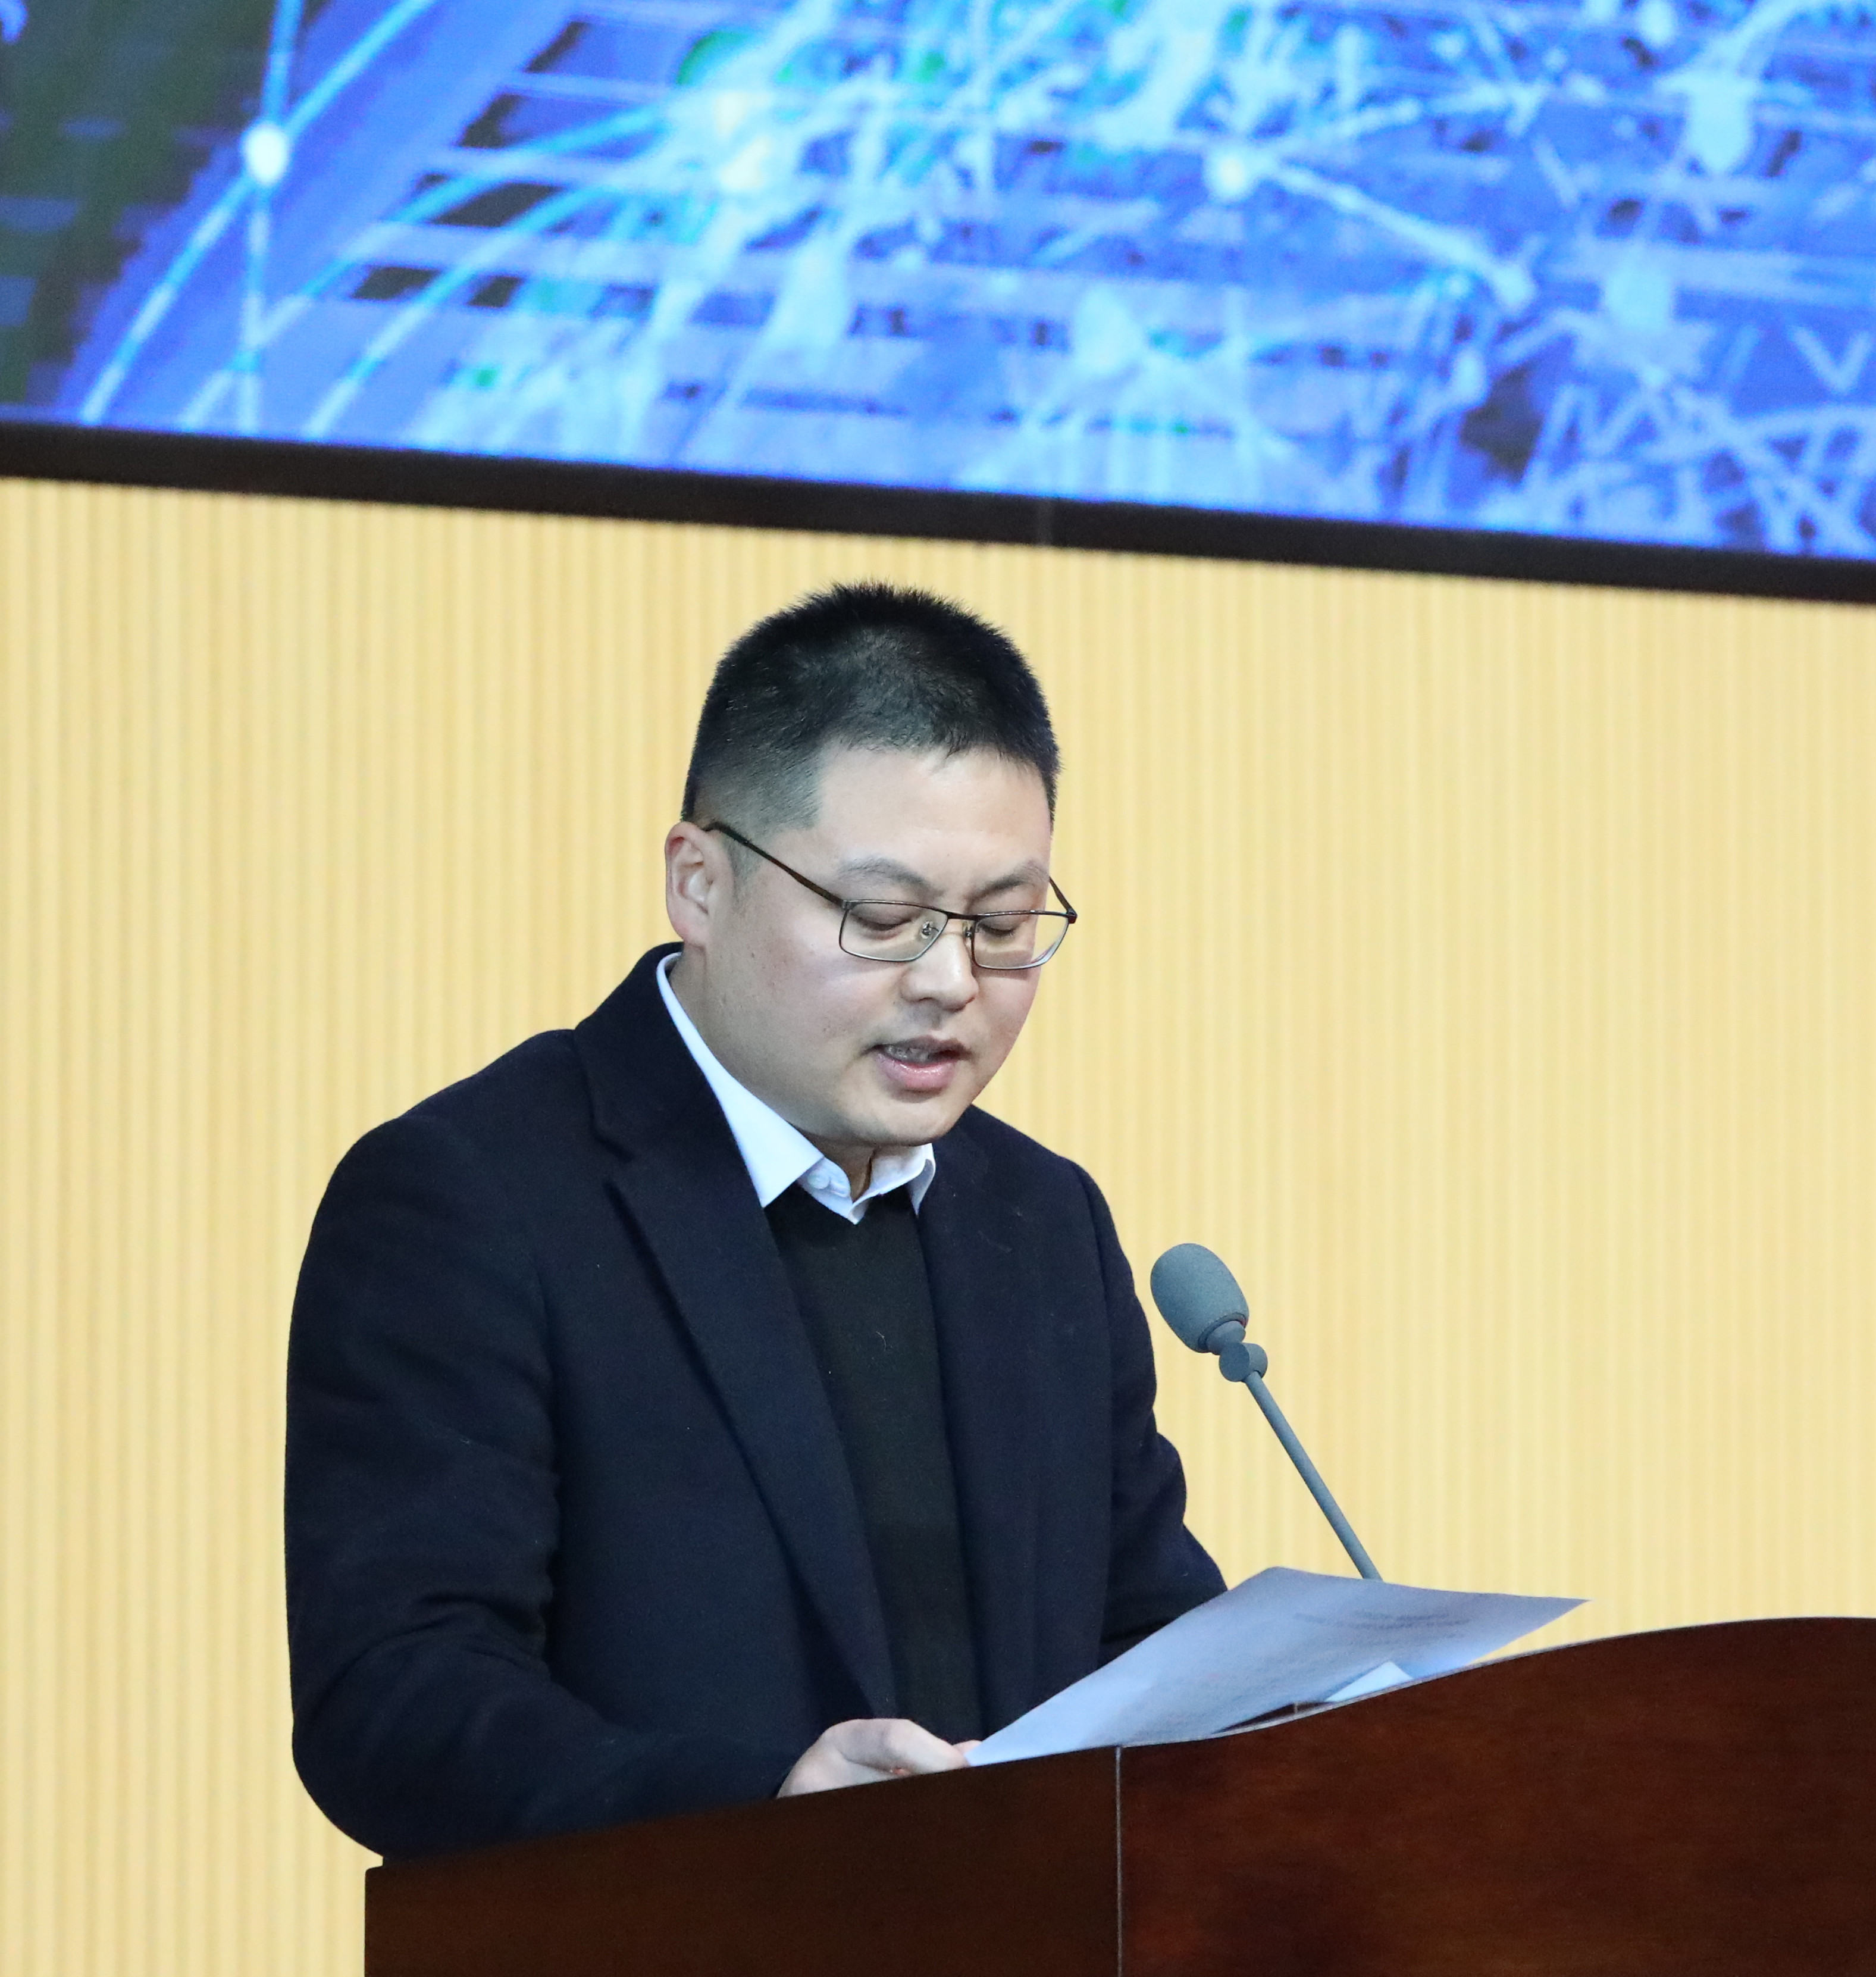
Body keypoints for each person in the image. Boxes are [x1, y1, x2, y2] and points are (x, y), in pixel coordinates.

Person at [286, 583, 1223, 1859]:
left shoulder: (1041, 1218)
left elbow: (1141, 1639)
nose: (950, 979)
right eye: (883, 919)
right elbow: (395, 1695)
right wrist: (759, 1810)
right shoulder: (473, 1198)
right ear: (701, 882)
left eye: (1003, 926)